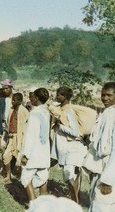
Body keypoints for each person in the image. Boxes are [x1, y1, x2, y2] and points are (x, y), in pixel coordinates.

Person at [50, 87, 87, 203]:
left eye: (60, 95)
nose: (57, 97)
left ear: (65, 97)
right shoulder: (61, 109)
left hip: (73, 147)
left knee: (68, 174)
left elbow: (75, 132)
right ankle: (75, 200)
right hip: (66, 148)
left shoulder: (68, 111)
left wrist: (60, 125)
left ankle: (75, 203)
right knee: (72, 176)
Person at [87, 82, 115, 212]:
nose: (105, 98)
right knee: (95, 202)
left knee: (102, 205)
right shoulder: (107, 113)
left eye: (109, 95)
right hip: (100, 167)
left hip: (109, 169)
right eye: (103, 95)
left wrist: (108, 179)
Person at [20, 88, 51, 202]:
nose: (30, 99)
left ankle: (33, 203)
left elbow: (30, 136)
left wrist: (25, 155)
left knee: (26, 178)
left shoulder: (34, 113)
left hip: (34, 152)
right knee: (43, 178)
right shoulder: (46, 112)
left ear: (36, 98)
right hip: (43, 152)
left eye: (32, 97)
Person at [3, 93, 29, 182]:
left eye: (14, 100)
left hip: (20, 138)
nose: (12, 102)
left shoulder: (24, 111)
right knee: (6, 156)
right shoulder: (11, 110)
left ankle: (22, 178)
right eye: (12, 100)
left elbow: (26, 126)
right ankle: (8, 175)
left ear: (20, 101)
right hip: (11, 137)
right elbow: (8, 122)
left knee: (20, 159)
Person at [0, 79, 14, 166]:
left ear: (11, 88)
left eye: (7, 88)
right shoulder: (2, 100)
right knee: (2, 145)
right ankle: (3, 166)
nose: (5, 90)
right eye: (4, 89)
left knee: (12, 147)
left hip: (12, 125)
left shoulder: (15, 98)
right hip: (3, 125)